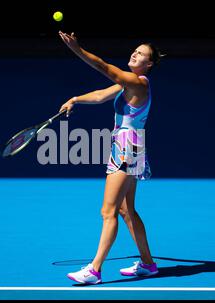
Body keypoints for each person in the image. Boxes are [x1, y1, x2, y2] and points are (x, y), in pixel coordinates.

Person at [58, 31, 165, 284]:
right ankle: (148, 264)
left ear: (148, 65)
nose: (134, 53)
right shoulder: (128, 84)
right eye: (135, 50)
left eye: (141, 54)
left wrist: (77, 49)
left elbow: (103, 67)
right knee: (127, 211)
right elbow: (99, 95)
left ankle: (94, 270)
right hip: (132, 146)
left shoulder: (139, 83)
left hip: (126, 149)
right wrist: (75, 99)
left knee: (109, 211)